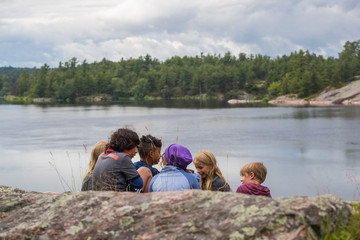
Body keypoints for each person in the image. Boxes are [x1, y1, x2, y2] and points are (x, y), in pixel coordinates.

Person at [92, 128, 143, 192]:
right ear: (126, 145)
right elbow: (139, 184)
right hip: (116, 198)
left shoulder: (102, 155)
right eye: (134, 146)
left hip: (100, 196)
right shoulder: (123, 158)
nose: (136, 151)